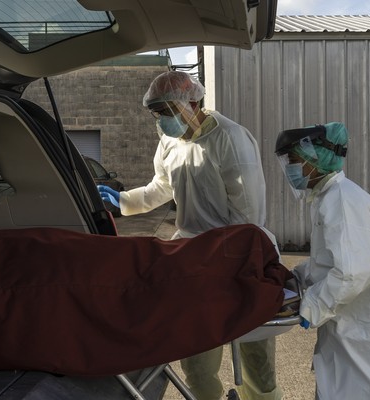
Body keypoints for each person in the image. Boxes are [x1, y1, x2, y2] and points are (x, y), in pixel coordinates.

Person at [98, 70, 283, 400]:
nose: (162, 119)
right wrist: (123, 201)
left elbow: (248, 218)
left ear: (194, 102)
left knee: (256, 362)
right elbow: (162, 187)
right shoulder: (169, 140)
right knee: (196, 360)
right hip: (191, 259)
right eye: (157, 113)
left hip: (238, 257)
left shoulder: (230, 139)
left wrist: (226, 267)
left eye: (168, 111)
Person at [275, 122, 370, 399]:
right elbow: (332, 259)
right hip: (359, 323)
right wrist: (298, 276)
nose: (291, 170)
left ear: (315, 159)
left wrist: (312, 305)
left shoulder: (342, 200)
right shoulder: (330, 196)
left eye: (295, 161)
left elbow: (352, 273)